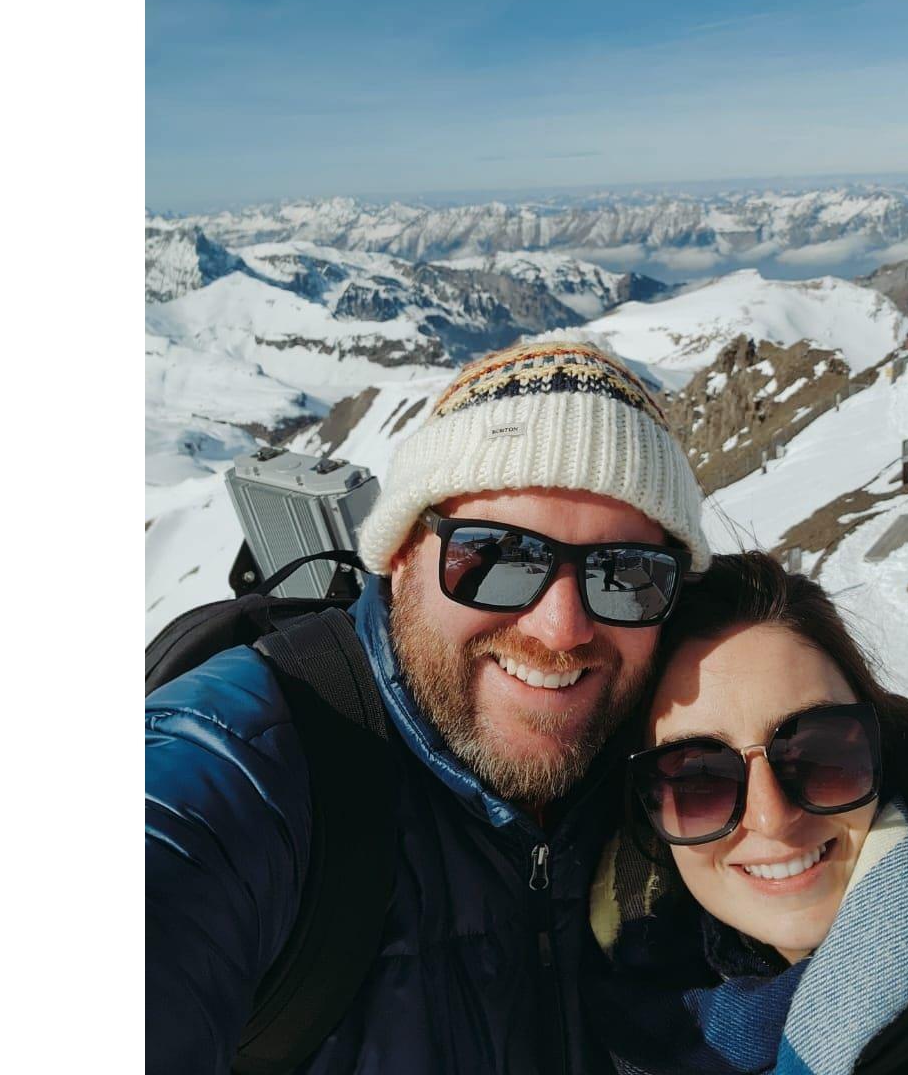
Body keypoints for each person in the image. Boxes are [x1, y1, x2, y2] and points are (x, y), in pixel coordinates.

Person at [146, 341, 712, 1075]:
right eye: (499, 557)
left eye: (626, 572)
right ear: (404, 553)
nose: (563, 628)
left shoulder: (677, 759)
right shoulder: (258, 758)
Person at [588, 552, 908, 1075]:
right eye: (700, 780)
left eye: (819, 752)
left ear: (885, 745)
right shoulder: (607, 1027)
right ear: (644, 811)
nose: (772, 819)